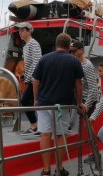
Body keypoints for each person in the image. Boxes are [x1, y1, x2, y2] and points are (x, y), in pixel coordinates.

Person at [33, 33, 87, 176]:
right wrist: (79, 102)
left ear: (57, 44)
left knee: (45, 135)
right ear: (69, 46)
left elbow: (36, 82)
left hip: (44, 104)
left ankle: (46, 170)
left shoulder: (44, 59)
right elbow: (78, 84)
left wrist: (36, 100)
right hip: (63, 106)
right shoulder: (74, 61)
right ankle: (59, 169)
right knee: (60, 136)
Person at [69, 41, 100, 163]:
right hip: (81, 99)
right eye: (71, 51)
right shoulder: (76, 63)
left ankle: (96, 153)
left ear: (81, 50)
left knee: (88, 126)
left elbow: (93, 88)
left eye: (74, 51)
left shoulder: (87, 65)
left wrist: (87, 104)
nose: (72, 53)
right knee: (85, 126)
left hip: (87, 100)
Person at [14, 22, 42, 136]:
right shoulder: (26, 46)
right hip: (31, 79)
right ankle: (36, 126)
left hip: (36, 79)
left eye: (22, 30)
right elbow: (29, 64)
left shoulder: (33, 44)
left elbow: (37, 62)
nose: (20, 33)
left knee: (26, 101)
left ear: (29, 31)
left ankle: (35, 126)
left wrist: (33, 78)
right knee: (31, 102)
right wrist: (25, 75)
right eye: (19, 31)